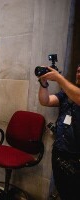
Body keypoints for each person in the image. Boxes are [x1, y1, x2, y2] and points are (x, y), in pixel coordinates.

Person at [38, 65, 80, 200]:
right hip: (60, 151)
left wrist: (58, 78)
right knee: (62, 189)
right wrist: (43, 83)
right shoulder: (67, 92)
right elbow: (45, 101)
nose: (79, 74)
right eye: (78, 71)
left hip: (76, 157)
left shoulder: (74, 93)